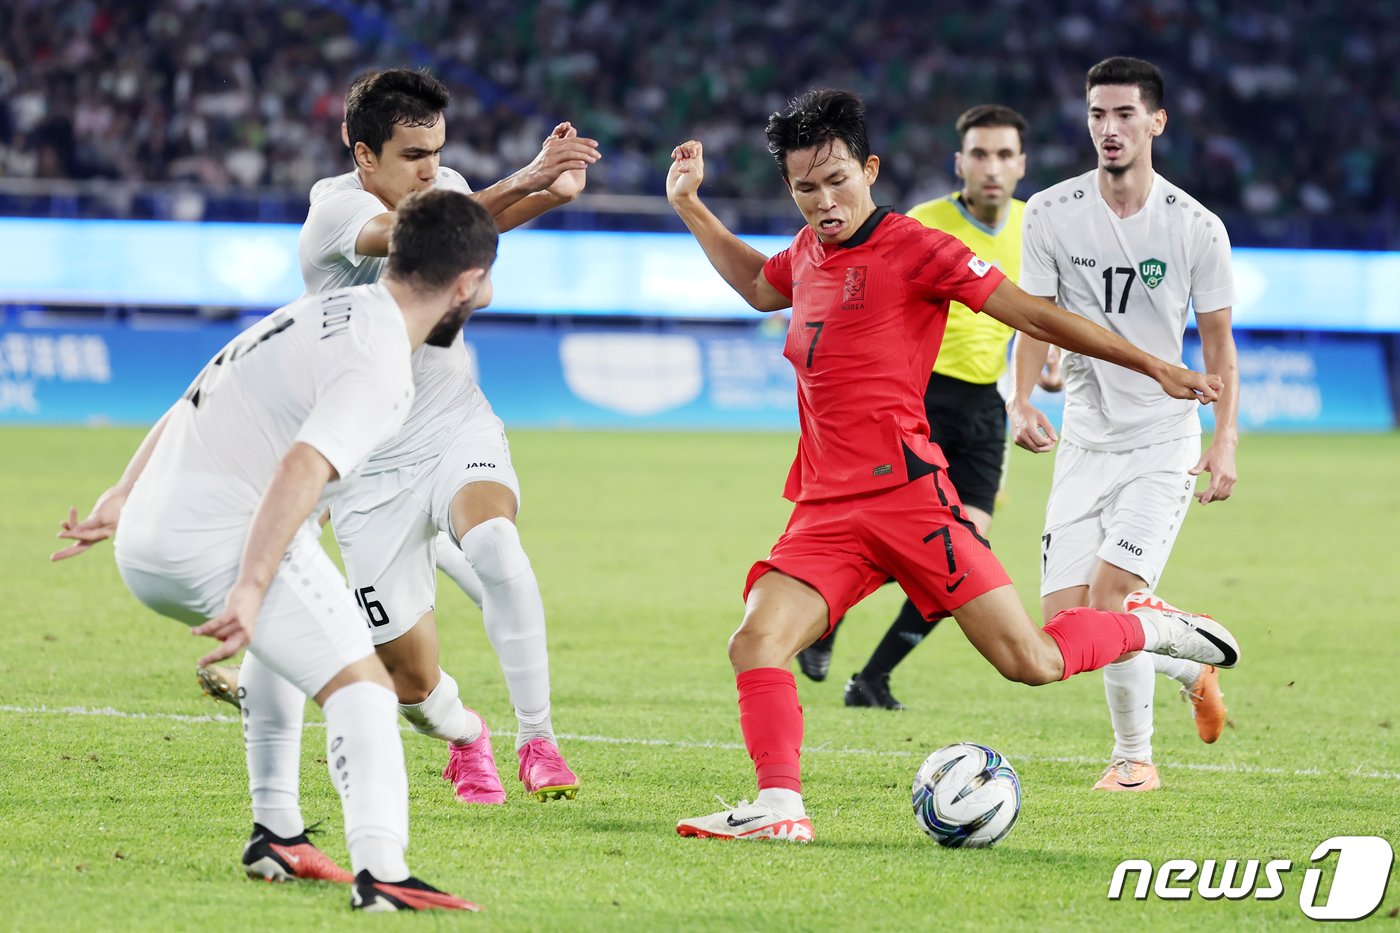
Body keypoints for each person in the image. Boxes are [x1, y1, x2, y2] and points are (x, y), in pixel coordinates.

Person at [663, 88, 1240, 844]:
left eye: (838, 180)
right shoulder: (806, 253)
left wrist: (1151, 361)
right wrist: (691, 206)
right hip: (826, 511)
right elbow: (753, 284)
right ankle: (778, 805)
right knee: (756, 640)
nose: (824, 201)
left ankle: (1152, 631)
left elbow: (1031, 312)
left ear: (869, 169)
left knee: (1030, 659)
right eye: (806, 188)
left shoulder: (915, 248)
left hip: (910, 500)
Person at [52, 189, 495, 910]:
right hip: (215, 541)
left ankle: (277, 836)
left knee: (294, 644)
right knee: (362, 687)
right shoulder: (381, 361)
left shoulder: (322, 309)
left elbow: (201, 386)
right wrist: (250, 587)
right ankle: (382, 874)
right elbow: (300, 468)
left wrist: (120, 495)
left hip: (151, 536)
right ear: (469, 284)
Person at [202, 68, 597, 806]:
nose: (431, 167)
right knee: (413, 683)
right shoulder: (334, 216)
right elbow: (425, 236)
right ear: (363, 156)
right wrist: (532, 178)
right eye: (413, 155)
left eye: (437, 151)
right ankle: (467, 736)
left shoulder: (444, 184)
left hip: (452, 423)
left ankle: (537, 739)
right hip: (370, 467)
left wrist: (547, 196)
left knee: (498, 548)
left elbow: (462, 230)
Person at [1009, 57, 1240, 792]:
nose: (1109, 129)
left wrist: (1225, 438)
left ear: (1156, 122)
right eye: (1097, 115)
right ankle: (1185, 656)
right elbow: (1033, 320)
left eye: (1125, 115)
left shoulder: (1196, 227)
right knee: (1067, 628)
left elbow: (1219, 347)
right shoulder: (1049, 211)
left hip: (1161, 440)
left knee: (1110, 602)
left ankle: (1133, 758)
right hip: (1083, 439)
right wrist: (1021, 398)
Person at [795, 104, 1044, 710]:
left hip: (985, 405)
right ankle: (822, 612)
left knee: (967, 549)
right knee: (917, 541)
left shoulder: (1033, 227)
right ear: (960, 162)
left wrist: (1031, 387)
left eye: (1004, 155)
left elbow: (1033, 309)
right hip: (921, 397)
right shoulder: (924, 225)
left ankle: (873, 678)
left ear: (1021, 164)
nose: (992, 167)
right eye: (979, 154)